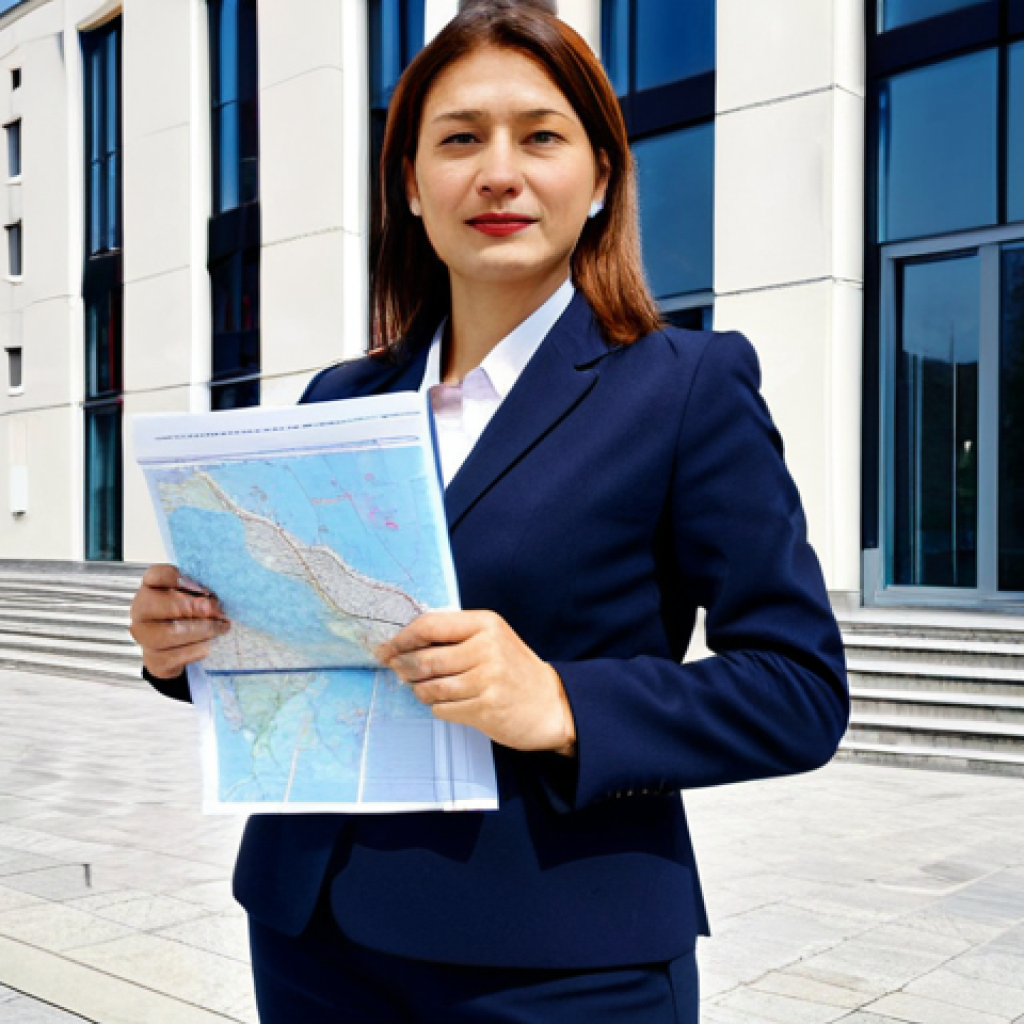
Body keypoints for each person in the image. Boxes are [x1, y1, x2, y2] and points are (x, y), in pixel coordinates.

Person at [130, 1, 849, 1020]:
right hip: (310, 933)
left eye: (541, 137)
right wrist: (188, 644)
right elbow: (307, 633)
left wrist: (559, 701)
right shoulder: (341, 396)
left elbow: (798, 689)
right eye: (460, 139)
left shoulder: (687, 386)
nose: (498, 173)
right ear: (410, 184)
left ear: (599, 180)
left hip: (556, 961)